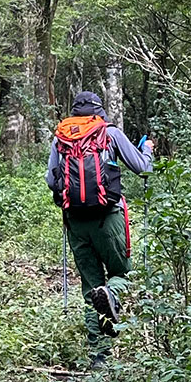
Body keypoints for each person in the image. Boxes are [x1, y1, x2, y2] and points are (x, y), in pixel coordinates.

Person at [48, 90, 152, 360]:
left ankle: (99, 357)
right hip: (109, 218)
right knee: (123, 275)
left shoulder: (60, 137)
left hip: (75, 222)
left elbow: (51, 180)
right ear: (99, 112)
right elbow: (142, 168)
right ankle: (112, 293)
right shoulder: (111, 133)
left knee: (90, 287)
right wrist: (147, 151)